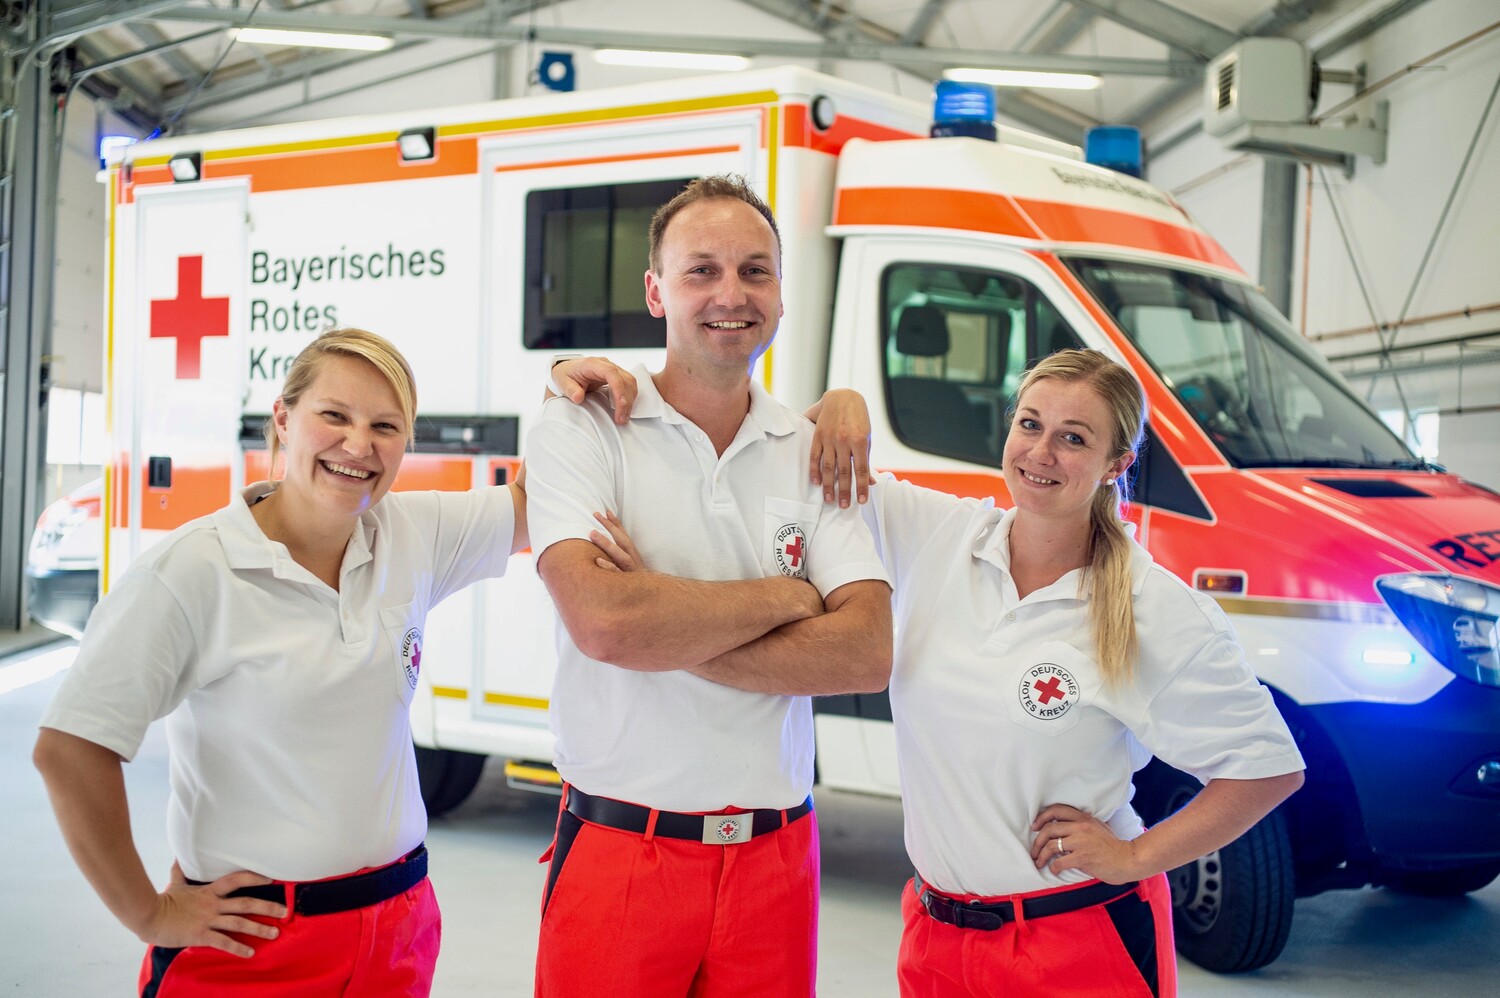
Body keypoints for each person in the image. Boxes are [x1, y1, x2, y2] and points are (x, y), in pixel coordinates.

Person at [590, 348, 1307, 997]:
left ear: (1117, 463)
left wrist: (1135, 856)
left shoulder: (1152, 606)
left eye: (1074, 438)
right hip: (939, 942)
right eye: (1030, 424)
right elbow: (794, 458)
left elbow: (1267, 768)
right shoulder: (942, 535)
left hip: (1077, 939)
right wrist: (842, 400)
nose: (1041, 453)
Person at [32, 328, 633, 997]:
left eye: (385, 426)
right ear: (284, 420)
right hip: (256, 945)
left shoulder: (411, 533)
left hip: (398, 927)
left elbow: (532, 501)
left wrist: (559, 389)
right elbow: (71, 748)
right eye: (334, 416)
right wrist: (149, 913)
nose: (358, 445)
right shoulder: (194, 570)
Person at [524, 175, 893, 997]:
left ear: (782, 294)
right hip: (623, 852)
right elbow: (606, 625)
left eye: (755, 271)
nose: (732, 294)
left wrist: (662, 617)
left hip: (777, 861)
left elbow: (866, 653)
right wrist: (789, 598)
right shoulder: (583, 426)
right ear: (656, 292)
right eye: (702, 271)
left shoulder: (811, 449)